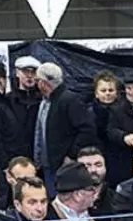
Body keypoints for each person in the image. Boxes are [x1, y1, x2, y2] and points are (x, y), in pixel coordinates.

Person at [34, 62, 97, 191]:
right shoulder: (45, 102)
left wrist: (71, 155)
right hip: (48, 165)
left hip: (63, 165)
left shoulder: (70, 100)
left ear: (43, 83)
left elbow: (87, 129)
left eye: (37, 80)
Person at [77, 146, 126, 221]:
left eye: (98, 165)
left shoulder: (118, 199)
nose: (93, 170)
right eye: (87, 166)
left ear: (105, 168)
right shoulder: (70, 201)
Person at [7, 55, 42, 152]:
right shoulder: (8, 100)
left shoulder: (43, 100)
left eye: (33, 72)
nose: (30, 75)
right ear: (17, 73)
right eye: (25, 71)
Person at [89, 71, 119, 152]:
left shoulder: (125, 112)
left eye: (111, 90)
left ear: (116, 93)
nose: (107, 93)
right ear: (96, 93)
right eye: (103, 90)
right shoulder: (88, 114)